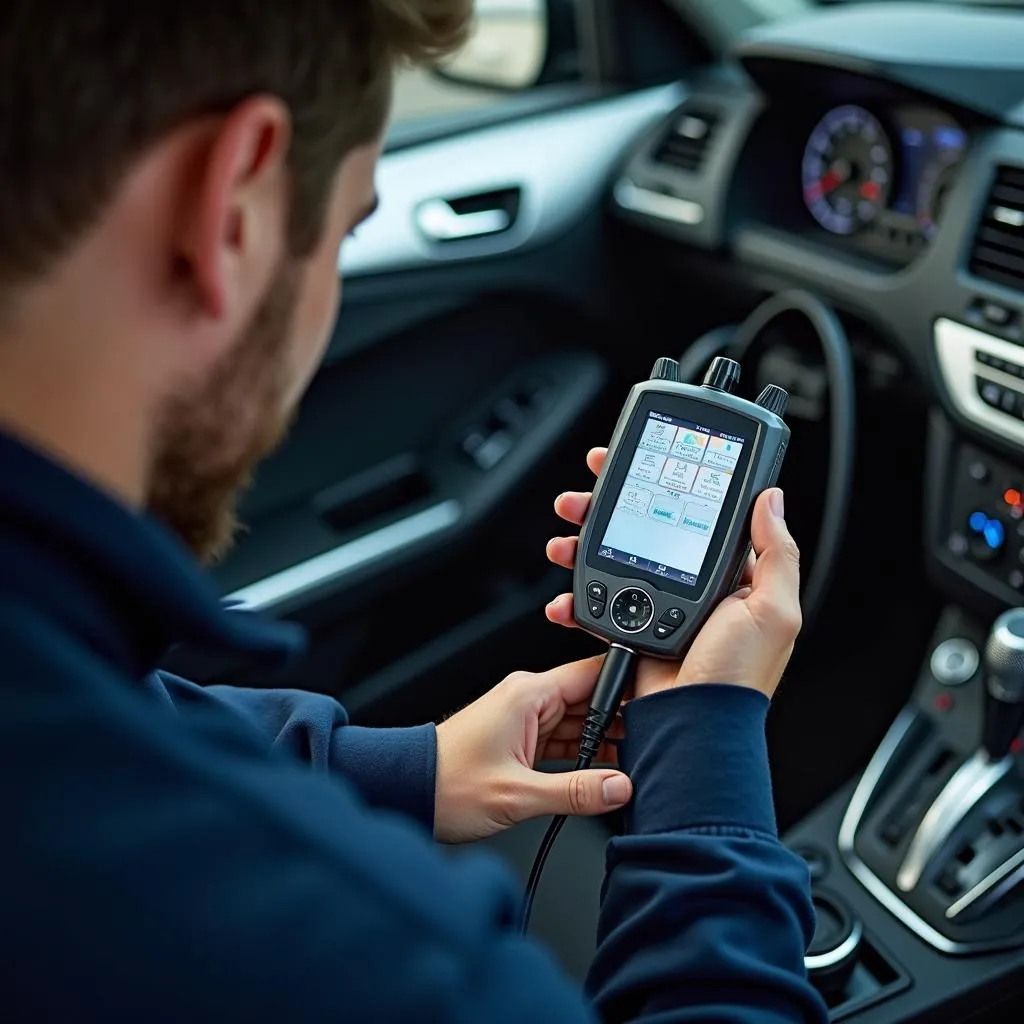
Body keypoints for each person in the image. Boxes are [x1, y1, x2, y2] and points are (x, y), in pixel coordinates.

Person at [0, 3, 827, 1021]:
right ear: (234, 206)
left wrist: (401, 766)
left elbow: (103, 707)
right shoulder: (373, 955)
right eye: (345, 230)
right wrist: (707, 769)